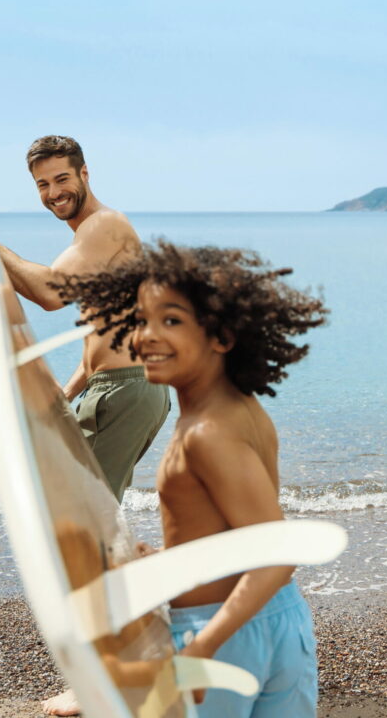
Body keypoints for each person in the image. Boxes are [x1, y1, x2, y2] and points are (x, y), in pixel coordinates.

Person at [50, 240, 328, 717]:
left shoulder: (205, 434)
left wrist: (200, 649)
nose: (146, 337)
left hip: (221, 632)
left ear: (220, 337)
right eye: (139, 321)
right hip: (279, 619)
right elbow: (235, 536)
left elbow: (277, 555)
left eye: (171, 321)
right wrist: (166, 563)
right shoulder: (242, 410)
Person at [0, 135, 170, 504]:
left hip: (125, 390)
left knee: (82, 512)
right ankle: (123, 559)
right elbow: (106, 331)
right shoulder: (93, 236)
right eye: (43, 184)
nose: (53, 192)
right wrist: (70, 391)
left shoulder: (105, 226)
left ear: (84, 173)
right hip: (115, 387)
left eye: (61, 179)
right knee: (81, 510)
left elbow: (50, 293)